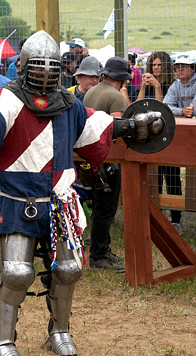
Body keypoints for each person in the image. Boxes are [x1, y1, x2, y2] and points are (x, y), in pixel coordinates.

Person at [0, 30, 163, 356]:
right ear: (25, 66)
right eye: (37, 65)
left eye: (50, 66)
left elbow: (95, 127)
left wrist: (128, 126)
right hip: (18, 198)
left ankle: (59, 331)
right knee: (15, 273)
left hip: (59, 199)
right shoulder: (7, 100)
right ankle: (5, 340)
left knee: (69, 269)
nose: (44, 72)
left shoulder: (69, 104)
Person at [83, 56, 133, 271]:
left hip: (89, 157)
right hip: (108, 160)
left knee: (98, 206)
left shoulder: (91, 91)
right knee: (106, 208)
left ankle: (100, 248)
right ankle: (99, 255)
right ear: (122, 79)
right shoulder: (116, 98)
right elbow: (116, 132)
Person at [164, 53, 196, 234]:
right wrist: (182, 111)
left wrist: (180, 111)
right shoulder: (176, 85)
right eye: (177, 66)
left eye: (184, 66)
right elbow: (166, 106)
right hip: (189, 136)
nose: (180, 69)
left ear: (193, 69)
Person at [137, 51, 182, 232]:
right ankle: (155, 216)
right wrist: (142, 87)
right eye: (153, 65)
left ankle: (176, 219)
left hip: (167, 136)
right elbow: (137, 106)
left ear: (165, 66)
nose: (156, 68)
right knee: (153, 178)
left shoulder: (172, 86)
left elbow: (163, 110)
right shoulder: (147, 85)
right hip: (150, 137)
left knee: (172, 178)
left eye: (159, 65)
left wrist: (157, 87)